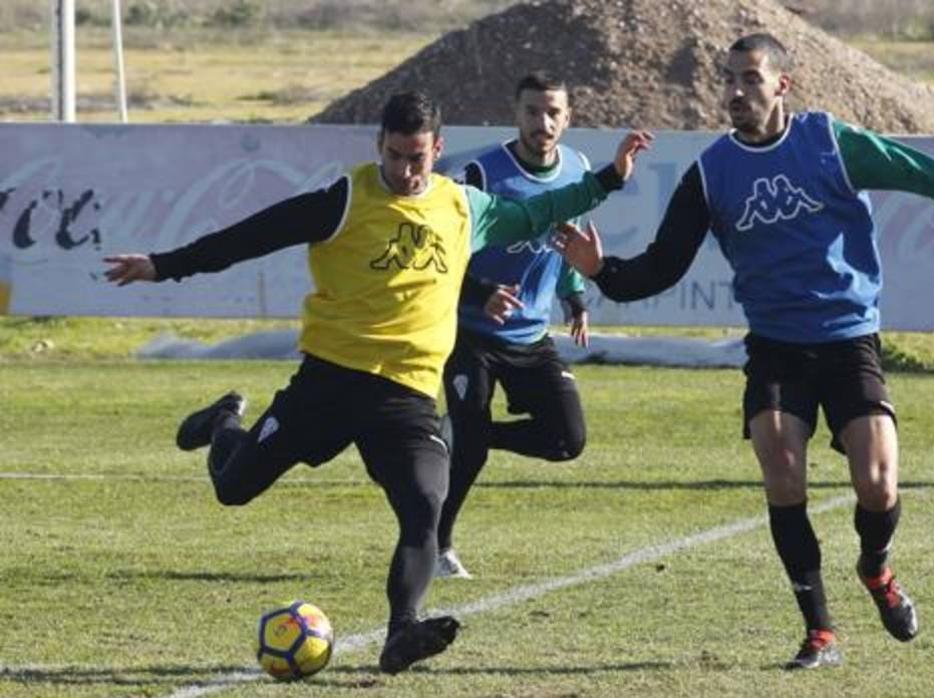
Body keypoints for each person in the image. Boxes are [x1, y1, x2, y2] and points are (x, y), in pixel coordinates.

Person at [553, 33, 934, 670]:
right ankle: (819, 630)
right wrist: (601, 271)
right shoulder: (711, 172)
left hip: (849, 339)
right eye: (730, 80)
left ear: (781, 85)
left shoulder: (829, 143)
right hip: (775, 347)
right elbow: (660, 268)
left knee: (877, 484)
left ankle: (876, 571)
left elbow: (925, 176)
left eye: (750, 79)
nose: (736, 92)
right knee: (779, 461)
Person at [102, 90, 652, 674]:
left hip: (407, 394)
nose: (405, 171)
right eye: (394, 156)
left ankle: (402, 630)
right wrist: (165, 264)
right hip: (330, 382)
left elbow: (538, 213)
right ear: (379, 148)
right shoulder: (345, 199)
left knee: (424, 505)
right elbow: (252, 235)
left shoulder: (464, 206)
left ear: (437, 150)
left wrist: (609, 179)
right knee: (234, 488)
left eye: (417, 158)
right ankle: (224, 422)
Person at [434, 72, 593, 580]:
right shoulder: (480, 175)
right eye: (532, 111)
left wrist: (573, 295)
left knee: (568, 440)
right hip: (470, 333)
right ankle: (439, 546)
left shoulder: (577, 169)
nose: (542, 123)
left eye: (553, 113)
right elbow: (441, 256)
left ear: (568, 118)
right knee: (469, 452)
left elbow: (567, 240)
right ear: (515, 113)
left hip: (530, 336)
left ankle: (464, 432)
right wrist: (480, 295)